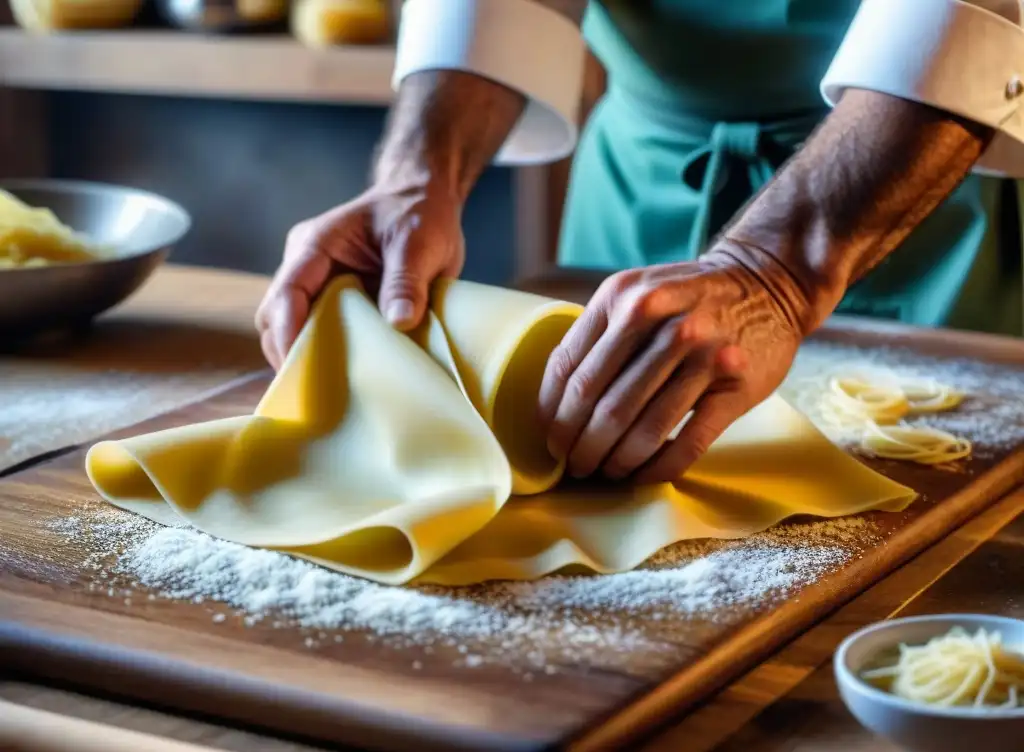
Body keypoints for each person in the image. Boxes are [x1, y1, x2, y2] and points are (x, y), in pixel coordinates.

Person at [256, 0, 1024, 484]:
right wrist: (419, 174)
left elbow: (973, 17)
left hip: (926, 181)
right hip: (638, 181)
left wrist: (773, 274)